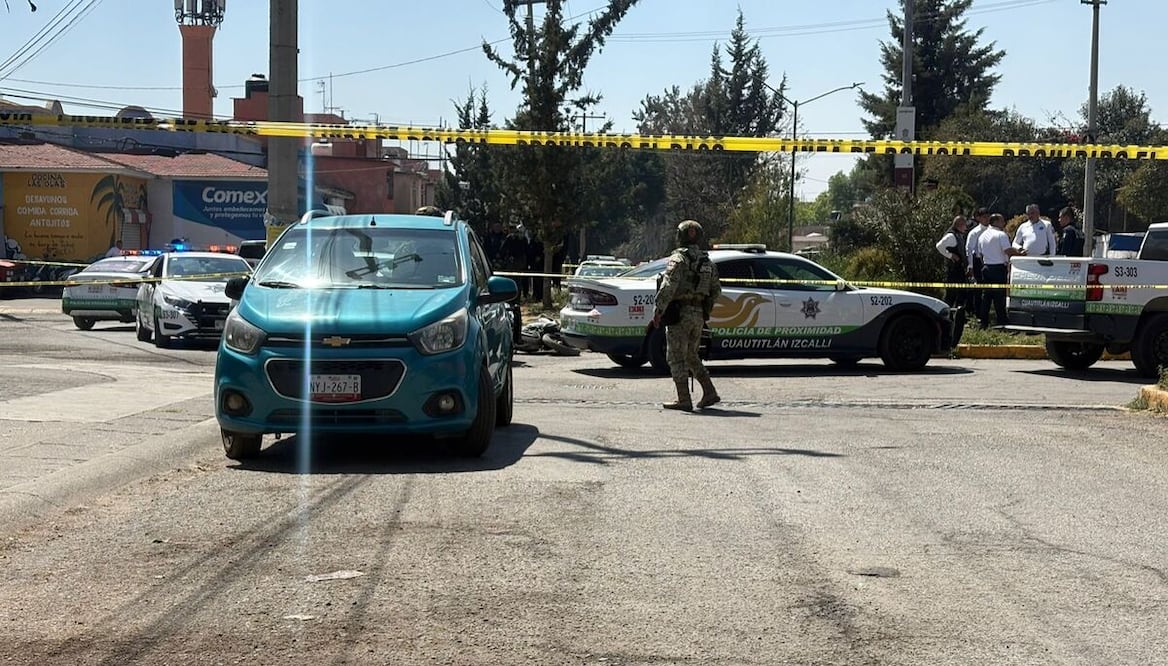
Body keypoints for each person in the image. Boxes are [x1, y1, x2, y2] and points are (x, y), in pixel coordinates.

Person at [651, 220, 721, 412]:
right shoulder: (707, 262)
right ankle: (709, 391)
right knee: (691, 355)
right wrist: (705, 309)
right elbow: (716, 290)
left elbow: (668, 286)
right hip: (698, 314)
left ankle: (683, 399)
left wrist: (658, 310)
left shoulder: (678, 259)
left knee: (675, 357)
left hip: (679, 313)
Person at [978, 213, 1024, 328]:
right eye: (1002, 221)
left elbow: (979, 254)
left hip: (986, 267)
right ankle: (1002, 321)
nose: (1004, 223)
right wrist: (1020, 254)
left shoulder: (982, 236)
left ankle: (983, 322)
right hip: (998, 268)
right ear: (996, 222)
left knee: (986, 297)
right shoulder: (1001, 235)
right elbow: (1008, 251)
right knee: (999, 297)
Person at [964, 208, 992, 325]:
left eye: (988, 216)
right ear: (979, 218)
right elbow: (969, 250)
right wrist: (970, 266)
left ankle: (986, 312)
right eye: (984, 217)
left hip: (989, 261)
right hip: (977, 262)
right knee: (978, 289)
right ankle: (977, 313)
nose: (987, 219)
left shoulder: (992, 230)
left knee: (988, 288)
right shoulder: (974, 232)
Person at [934, 215, 968, 308]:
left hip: (959, 269)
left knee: (961, 293)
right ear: (959, 225)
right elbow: (939, 246)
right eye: (964, 225)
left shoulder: (959, 235)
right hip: (953, 269)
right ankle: (946, 312)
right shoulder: (951, 236)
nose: (966, 227)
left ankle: (958, 313)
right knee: (951, 294)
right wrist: (950, 255)